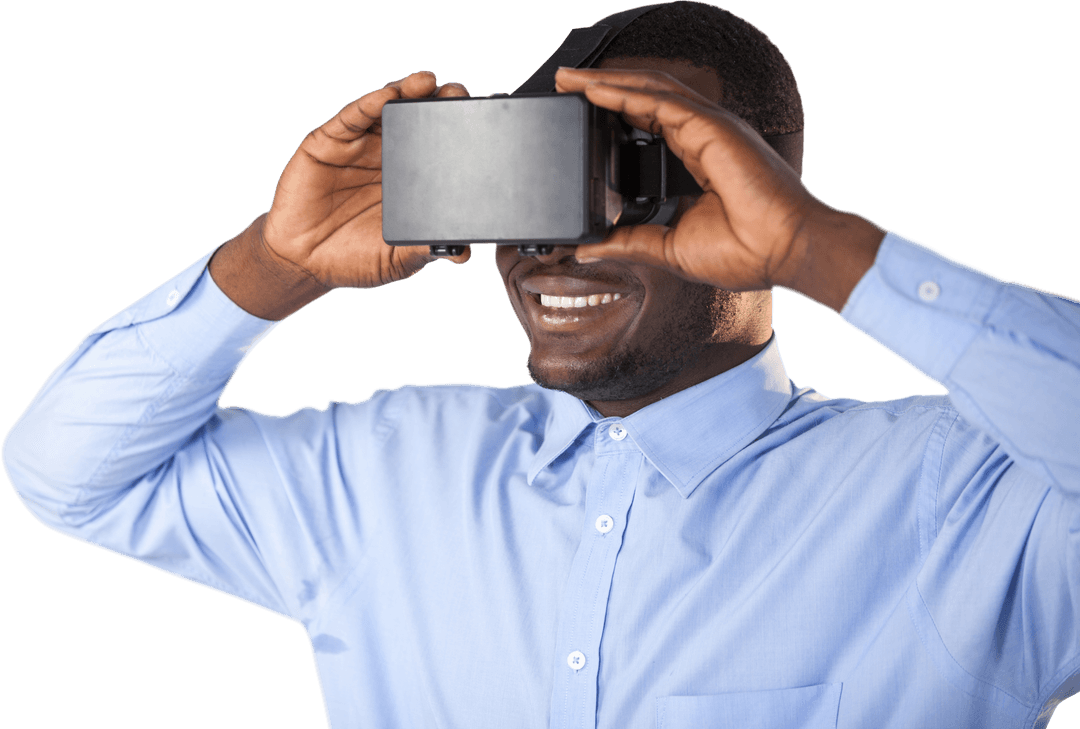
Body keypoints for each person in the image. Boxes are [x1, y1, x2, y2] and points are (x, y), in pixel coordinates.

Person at [4, 2, 1079, 727]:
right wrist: (271, 267)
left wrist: (820, 251)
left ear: (761, 185)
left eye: (634, 172)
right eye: (535, 173)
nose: (560, 240)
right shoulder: (387, 472)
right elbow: (70, 474)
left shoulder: (964, 496)